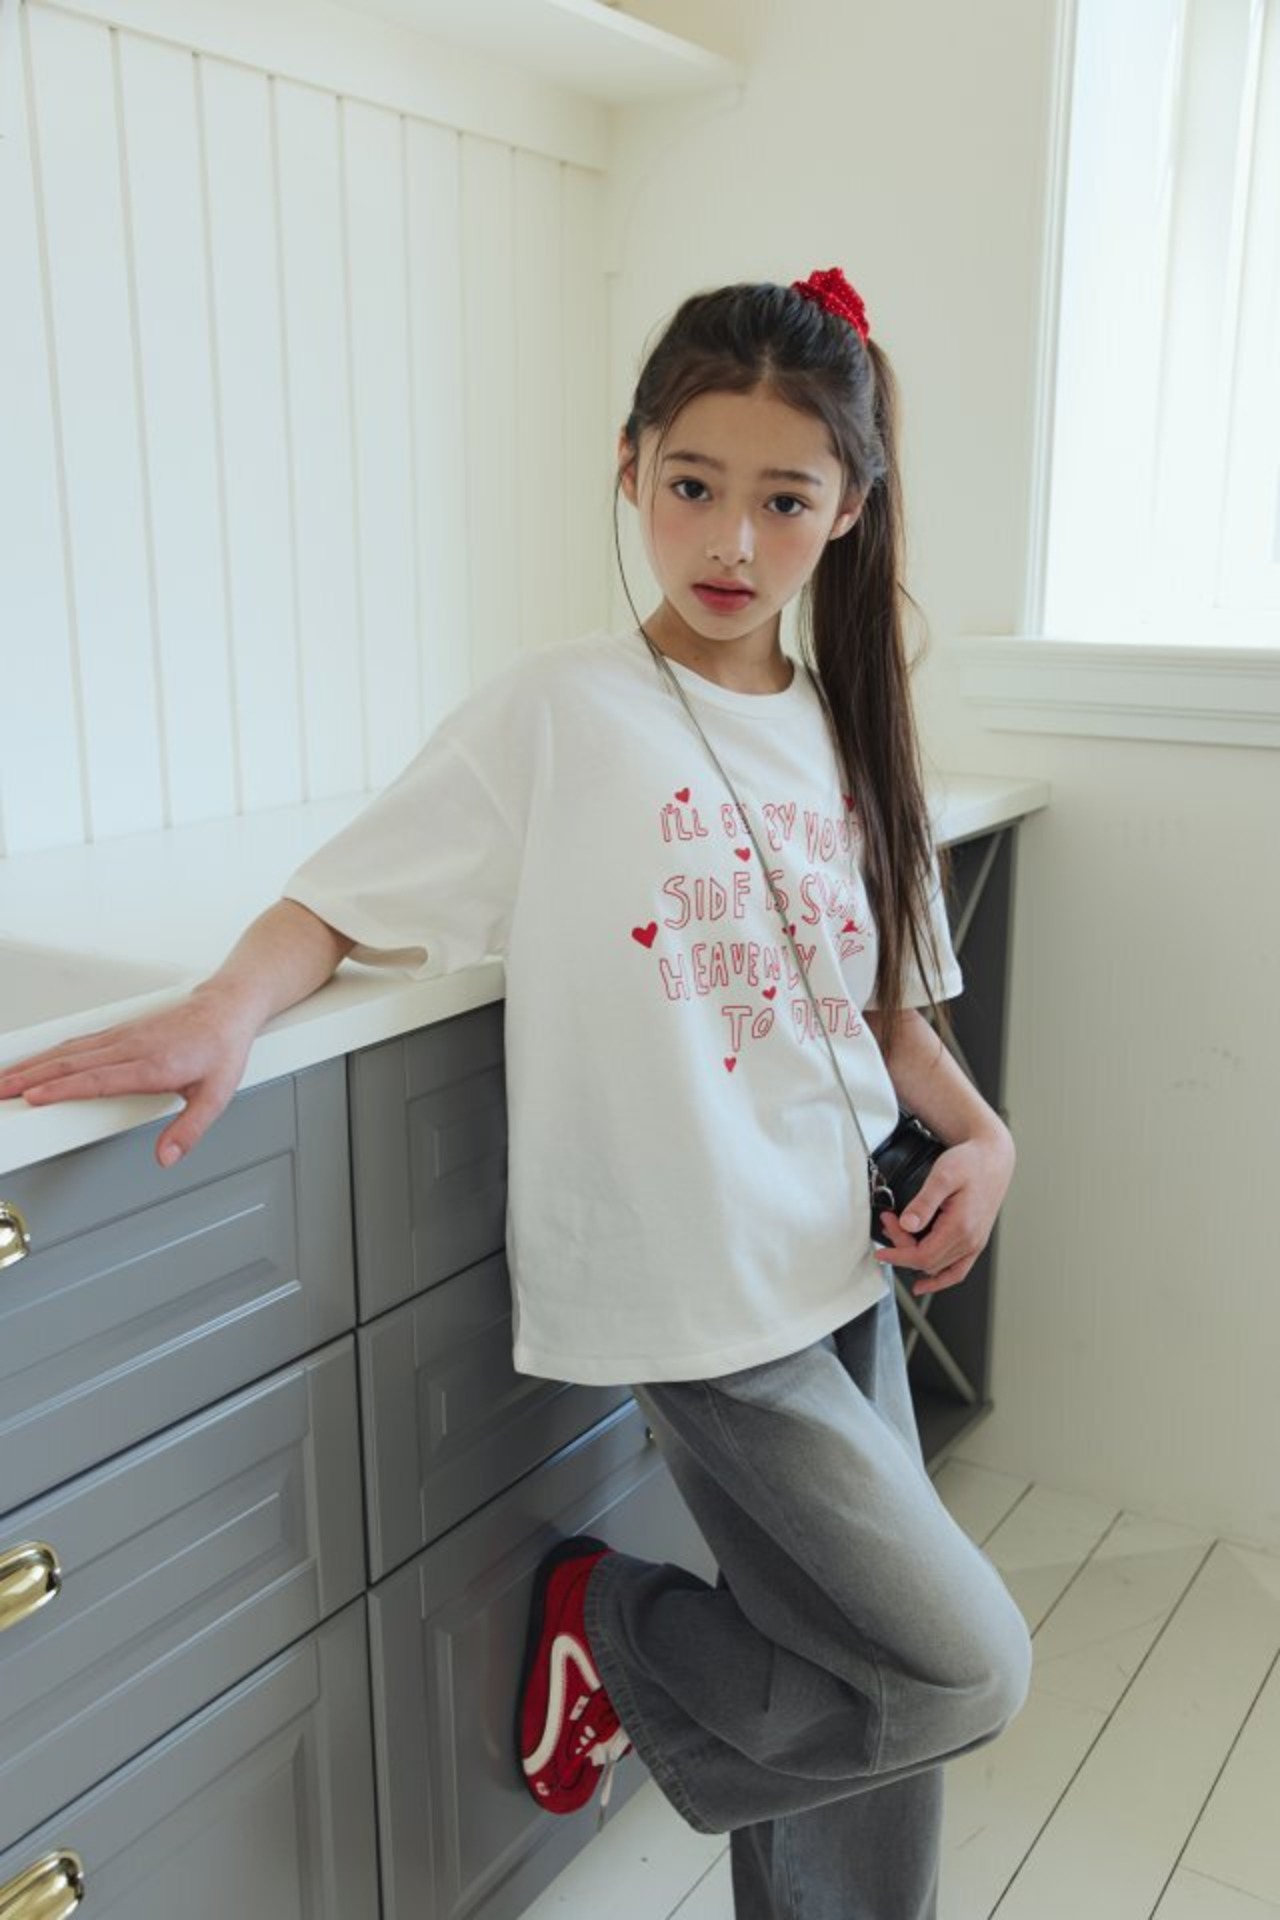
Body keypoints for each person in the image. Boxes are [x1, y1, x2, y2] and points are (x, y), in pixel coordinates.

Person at [0, 267, 1030, 1920]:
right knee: (962, 1669)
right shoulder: (561, 714)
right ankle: (617, 1634)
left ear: (849, 509)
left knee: (870, 1699)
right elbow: (341, 898)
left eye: (784, 500)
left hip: (844, 1254)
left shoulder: (850, 733)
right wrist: (224, 1007)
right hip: (703, 1301)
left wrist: (983, 1136)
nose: (731, 541)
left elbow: (879, 1010)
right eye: (692, 485)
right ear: (629, 467)